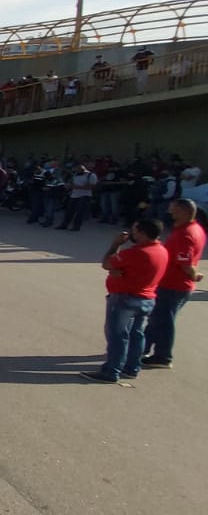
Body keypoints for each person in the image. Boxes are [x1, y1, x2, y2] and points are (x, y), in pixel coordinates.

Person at [81, 219, 169, 383]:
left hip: (125, 298)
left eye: (134, 231)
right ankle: (132, 367)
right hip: (147, 299)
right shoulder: (162, 250)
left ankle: (111, 371)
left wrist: (115, 244)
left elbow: (107, 263)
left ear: (142, 233)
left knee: (117, 335)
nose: (131, 234)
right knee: (137, 334)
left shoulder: (136, 253)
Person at [143, 199, 205, 369]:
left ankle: (163, 356)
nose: (171, 214)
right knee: (157, 318)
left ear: (184, 212)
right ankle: (142, 347)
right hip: (173, 283)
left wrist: (194, 276)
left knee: (163, 321)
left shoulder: (185, 234)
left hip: (173, 284)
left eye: (174, 211)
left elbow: (186, 263)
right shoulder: (195, 229)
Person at [57, 163, 97, 231]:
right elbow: (72, 183)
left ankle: (76, 227)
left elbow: (92, 186)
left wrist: (76, 187)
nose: (76, 170)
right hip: (74, 195)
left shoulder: (91, 175)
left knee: (79, 212)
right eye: (76, 168)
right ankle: (64, 225)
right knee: (69, 211)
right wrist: (68, 186)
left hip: (84, 196)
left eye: (78, 168)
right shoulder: (75, 175)